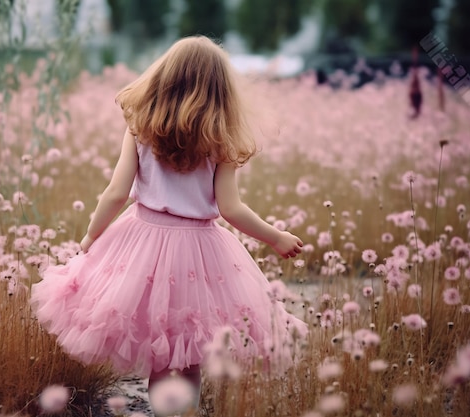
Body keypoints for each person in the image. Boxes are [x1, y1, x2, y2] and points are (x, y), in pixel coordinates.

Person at [30, 36, 307, 415]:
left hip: (141, 241)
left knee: (160, 347)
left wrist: (92, 235)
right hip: (199, 249)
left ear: (164, 78)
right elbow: (231, 208)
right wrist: (276, 237)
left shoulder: (141, 128)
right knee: (188, 352)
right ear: (220, 91)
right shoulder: (221, 140)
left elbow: (116, 192)